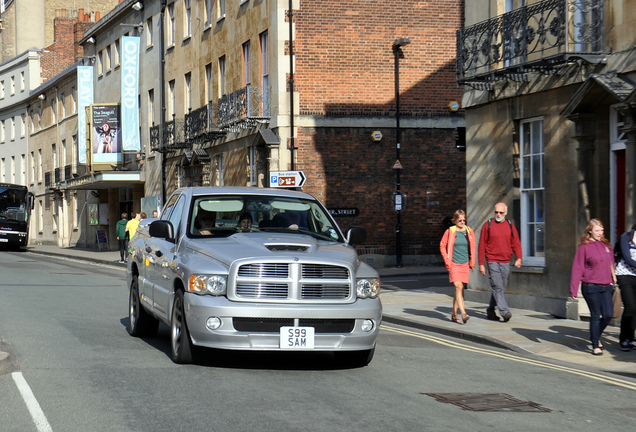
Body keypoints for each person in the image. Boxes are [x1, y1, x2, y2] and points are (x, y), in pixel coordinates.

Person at [570, 218, 615, 356]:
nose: (600, 233)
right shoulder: (584, 247)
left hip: (607, 286)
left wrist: (612, 279)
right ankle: (595, 344)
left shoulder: (607, 246)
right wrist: (573, 289)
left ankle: (595, 335)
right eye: (597, 230)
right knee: (596, 315)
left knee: (608, 315)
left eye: (602, 230)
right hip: (591, 287)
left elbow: (611, 264)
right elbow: (578, 268)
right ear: (590, 231)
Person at [478, 202, 522, 322]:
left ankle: (491, 310)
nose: (498, 214)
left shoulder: (510, 226)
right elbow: (481, 245)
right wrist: (481, 263)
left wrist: (519, 258)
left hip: (505, 260)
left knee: (500, 287)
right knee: (497, 286)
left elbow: (516, 243)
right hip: (492, 260)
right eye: (496, 212)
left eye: (501, 212)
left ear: (506, 213)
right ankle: (504, 311)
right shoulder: (487, 225)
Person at [440, 210, 476, 324]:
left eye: (464, 220)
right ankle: (464, 313)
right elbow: (442, 245)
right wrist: (447, 260)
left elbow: (473, 246)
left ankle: (454, 314)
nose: (462, 222)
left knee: (458, 290)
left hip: (464, 263)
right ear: (455, 220)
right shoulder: (450, 231)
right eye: (459, 220)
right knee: (458, 287)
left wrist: (472, 261)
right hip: (454, 263)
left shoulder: (469, 231)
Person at [615, 222, 636, 351]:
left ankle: (630, 337)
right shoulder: (626, 237)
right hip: (624, 275)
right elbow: (627, 259)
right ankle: (624, 339)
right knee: (630, 307)